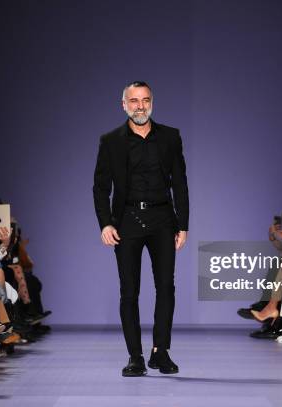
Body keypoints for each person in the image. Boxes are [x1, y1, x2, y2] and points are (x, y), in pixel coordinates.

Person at [93, 81, 189, 377]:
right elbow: (100, 187)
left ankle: (161, 352)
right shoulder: (111, 141)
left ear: (152, 103)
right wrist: (106, 223)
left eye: (145, 100)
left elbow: (180, 183)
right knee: (129, 291)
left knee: (166, 287)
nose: (140, 106)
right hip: (127, 221)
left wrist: (183, 224)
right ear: (124, 105)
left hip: (162, 219)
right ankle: (135, 356)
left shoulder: (170, 137)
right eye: (134, 101)